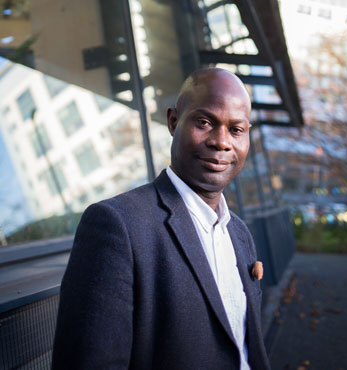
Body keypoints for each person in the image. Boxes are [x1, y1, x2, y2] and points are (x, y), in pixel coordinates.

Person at [52, 68, 271, 370]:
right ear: (173, 121)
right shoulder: (116, 226)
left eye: (236, 130)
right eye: (205, 122)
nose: (222, 142)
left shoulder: (240, 234)